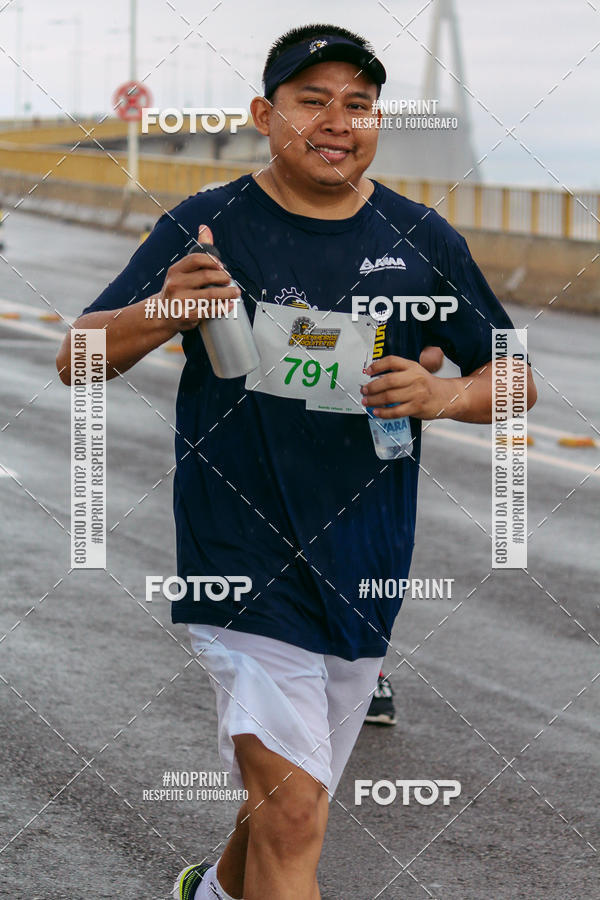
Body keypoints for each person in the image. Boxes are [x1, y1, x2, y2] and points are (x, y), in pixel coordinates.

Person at [56, 23, 536, 900]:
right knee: (294, 816)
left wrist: (442, 396)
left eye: (359, 103)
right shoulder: (207, 225)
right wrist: (165, 310)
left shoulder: (421, 237)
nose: (337, 121)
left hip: (364, 564)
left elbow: (516, 379)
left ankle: (212, 893)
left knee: (289, 800)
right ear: (263, 114)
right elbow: (76, 358)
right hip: (237, 561)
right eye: (312, 100)